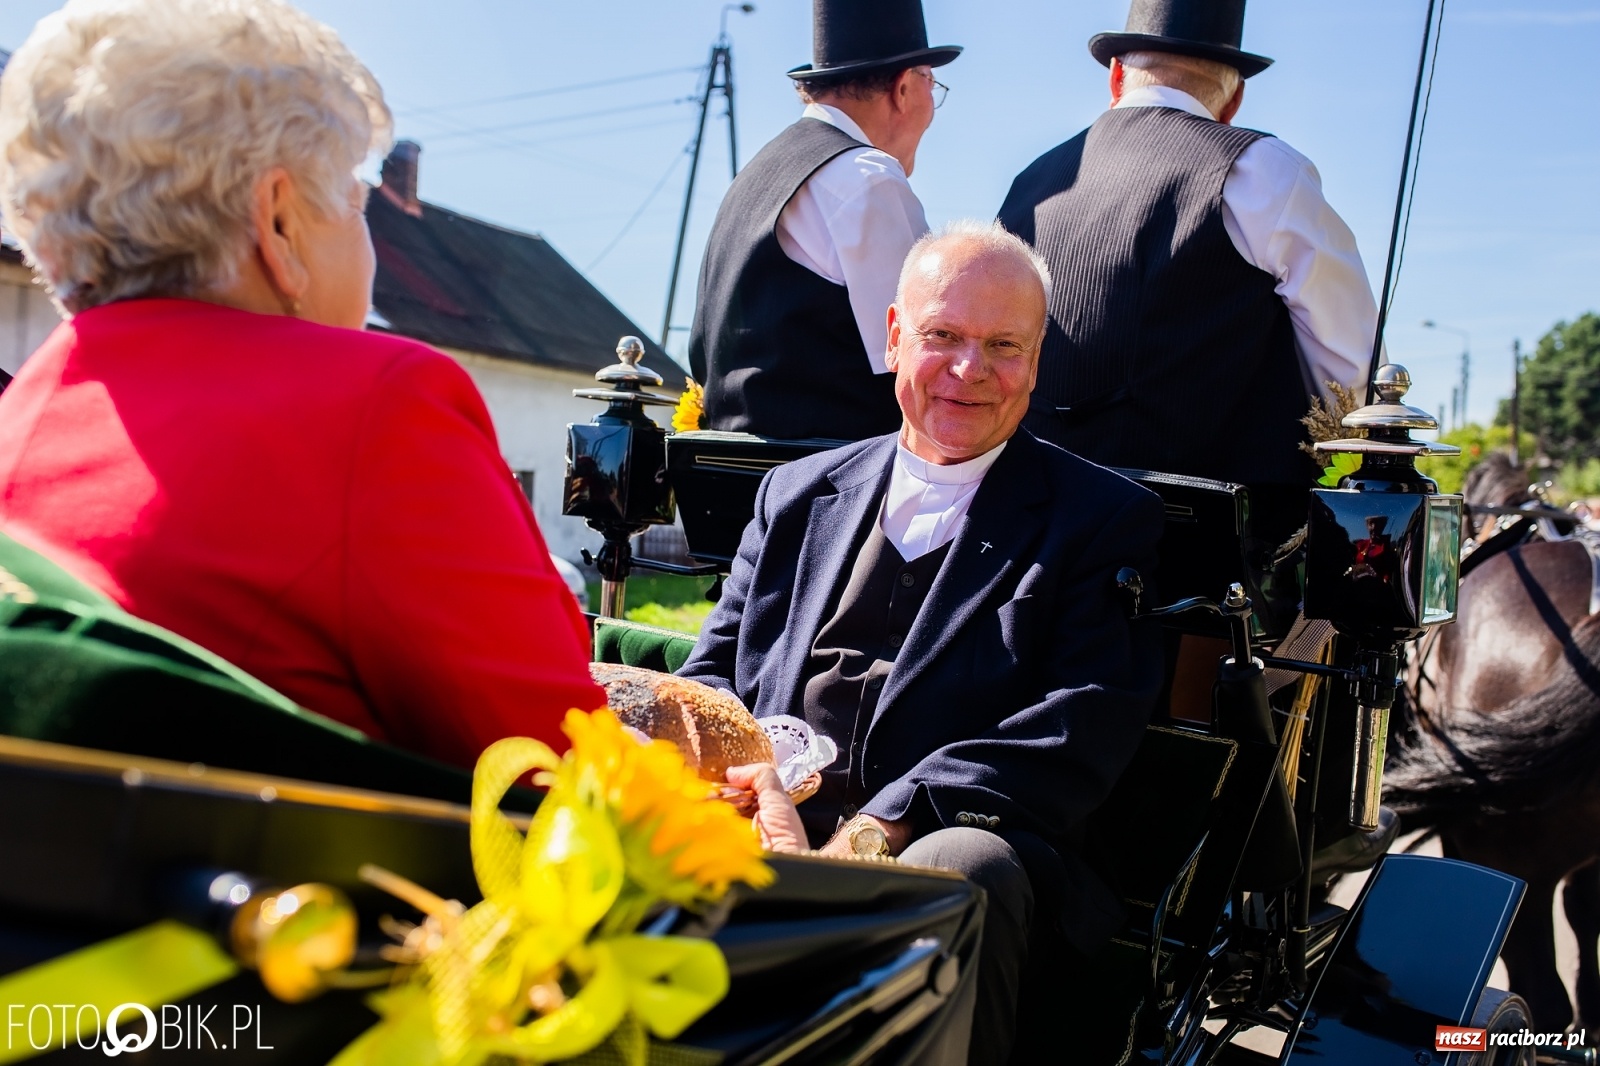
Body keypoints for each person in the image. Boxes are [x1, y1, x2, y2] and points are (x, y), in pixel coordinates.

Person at [0, 0, 603, 769]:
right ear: (279, 224)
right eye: (357, 204)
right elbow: (563, 768)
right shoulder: (377, 406)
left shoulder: (19, 419)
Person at [679, 221, 1166, 1064]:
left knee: (958, 867)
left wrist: (870, 837)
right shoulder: (795, 495)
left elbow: (1077, 728)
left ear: (1036, 359)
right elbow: (712, 672)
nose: (970, 370)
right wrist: (746, 795)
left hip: (952, 842)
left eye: (1002, 345)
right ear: (897, 334)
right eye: (943, 336)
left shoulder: (1104, 520)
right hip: (763, 817)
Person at [996, 0, 1377, 495]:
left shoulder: (1029, 183)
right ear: (1234, 99)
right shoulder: (1265, 169)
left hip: (1029, 518)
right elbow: (1351, 380)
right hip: (1207, 541)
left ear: (1116, 78)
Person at [687, 0, 959, 442]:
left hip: (736, 485)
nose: (933, 103)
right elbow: (919, 367)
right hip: (832, 492)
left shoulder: (754, 176)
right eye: (933, 82)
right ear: (904, 87)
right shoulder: (867, 178)